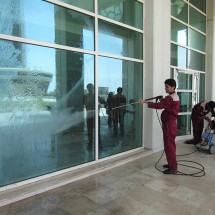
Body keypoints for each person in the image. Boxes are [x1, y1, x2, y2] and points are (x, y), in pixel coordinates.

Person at [139, 79, 180, 174]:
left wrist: (145, 102)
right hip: (170, 124)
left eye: (167, 87)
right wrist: (162, 99)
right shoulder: (173, 96)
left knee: (169, 146)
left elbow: (159, 106)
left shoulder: (170, 98)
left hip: (169, 125)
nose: (165, 88)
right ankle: (171, 164)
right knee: (170, 145)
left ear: (173, 87)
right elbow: (167, 104)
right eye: (165, 86)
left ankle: (173, 168)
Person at [83, 83, 105, 150]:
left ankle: (96, 144)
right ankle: (92, 144)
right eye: (90, 87)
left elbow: (103, 101)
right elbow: (103, 102)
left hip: (94, 116)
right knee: (91, 131)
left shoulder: (95, 96)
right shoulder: (87, 96)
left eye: (91, 87)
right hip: (90, 116)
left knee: (96, 131)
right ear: (88, 88)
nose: (91, 89)